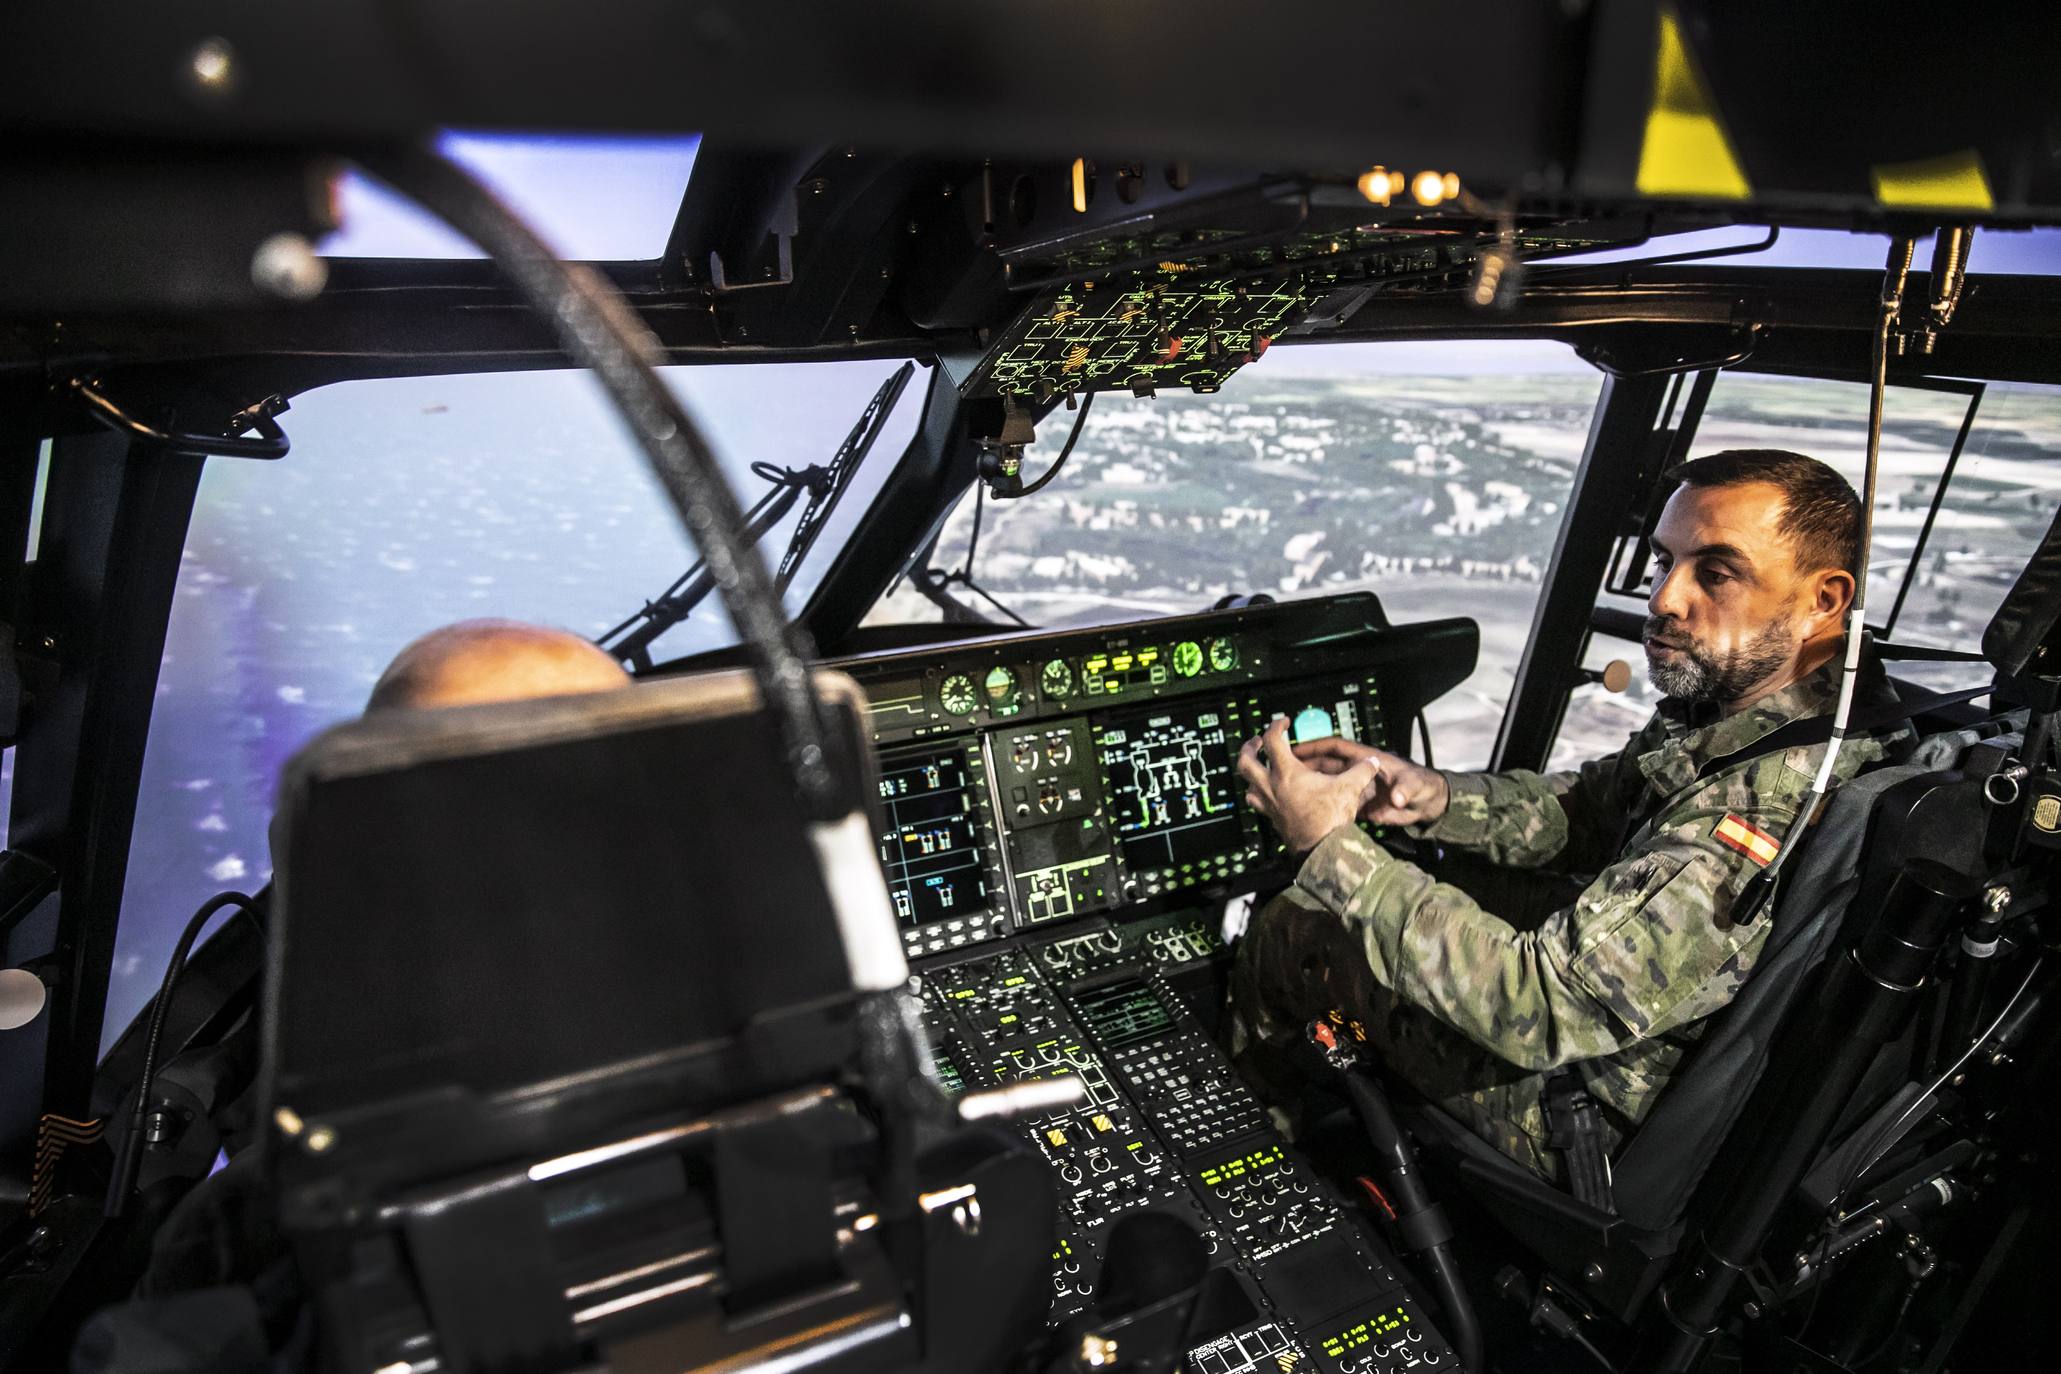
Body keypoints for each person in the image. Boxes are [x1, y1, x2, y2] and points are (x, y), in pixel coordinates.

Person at [1231, 450, 1903, 1179]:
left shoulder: (1757, 807)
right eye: (1662, 561)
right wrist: (1435, 797)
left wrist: (1328, 846)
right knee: (1432, 877)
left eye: (1715, 572)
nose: (1663, 600)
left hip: (1587, 1122)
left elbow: (1540, 1006)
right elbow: (1588, 810)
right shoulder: (1765, 711)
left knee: (1302, 923)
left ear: (1824, 601)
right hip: (1618, 1033)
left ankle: (1250, 1175)